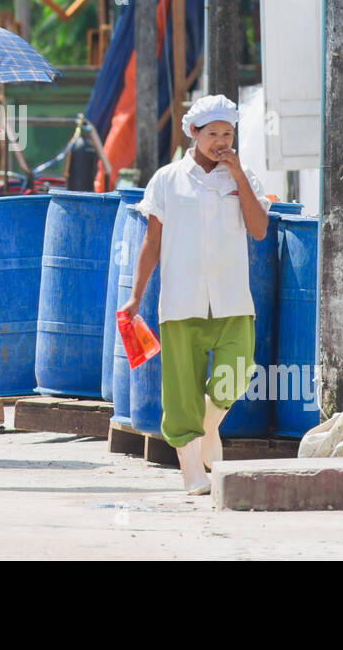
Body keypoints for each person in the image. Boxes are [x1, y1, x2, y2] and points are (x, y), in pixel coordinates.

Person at [119, 95, 271, 494]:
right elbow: (151, 242)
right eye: (212, 134)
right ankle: (191, 472)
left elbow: (258, 230)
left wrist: (238, 178)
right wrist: (136, 296)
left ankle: (208, 426)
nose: (221, 142)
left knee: (238, 371)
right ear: (193, 134)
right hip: (181, 299)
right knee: (181, 387)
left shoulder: (243, 177)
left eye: (227, 134)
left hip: (232, 298)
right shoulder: (167, 180)